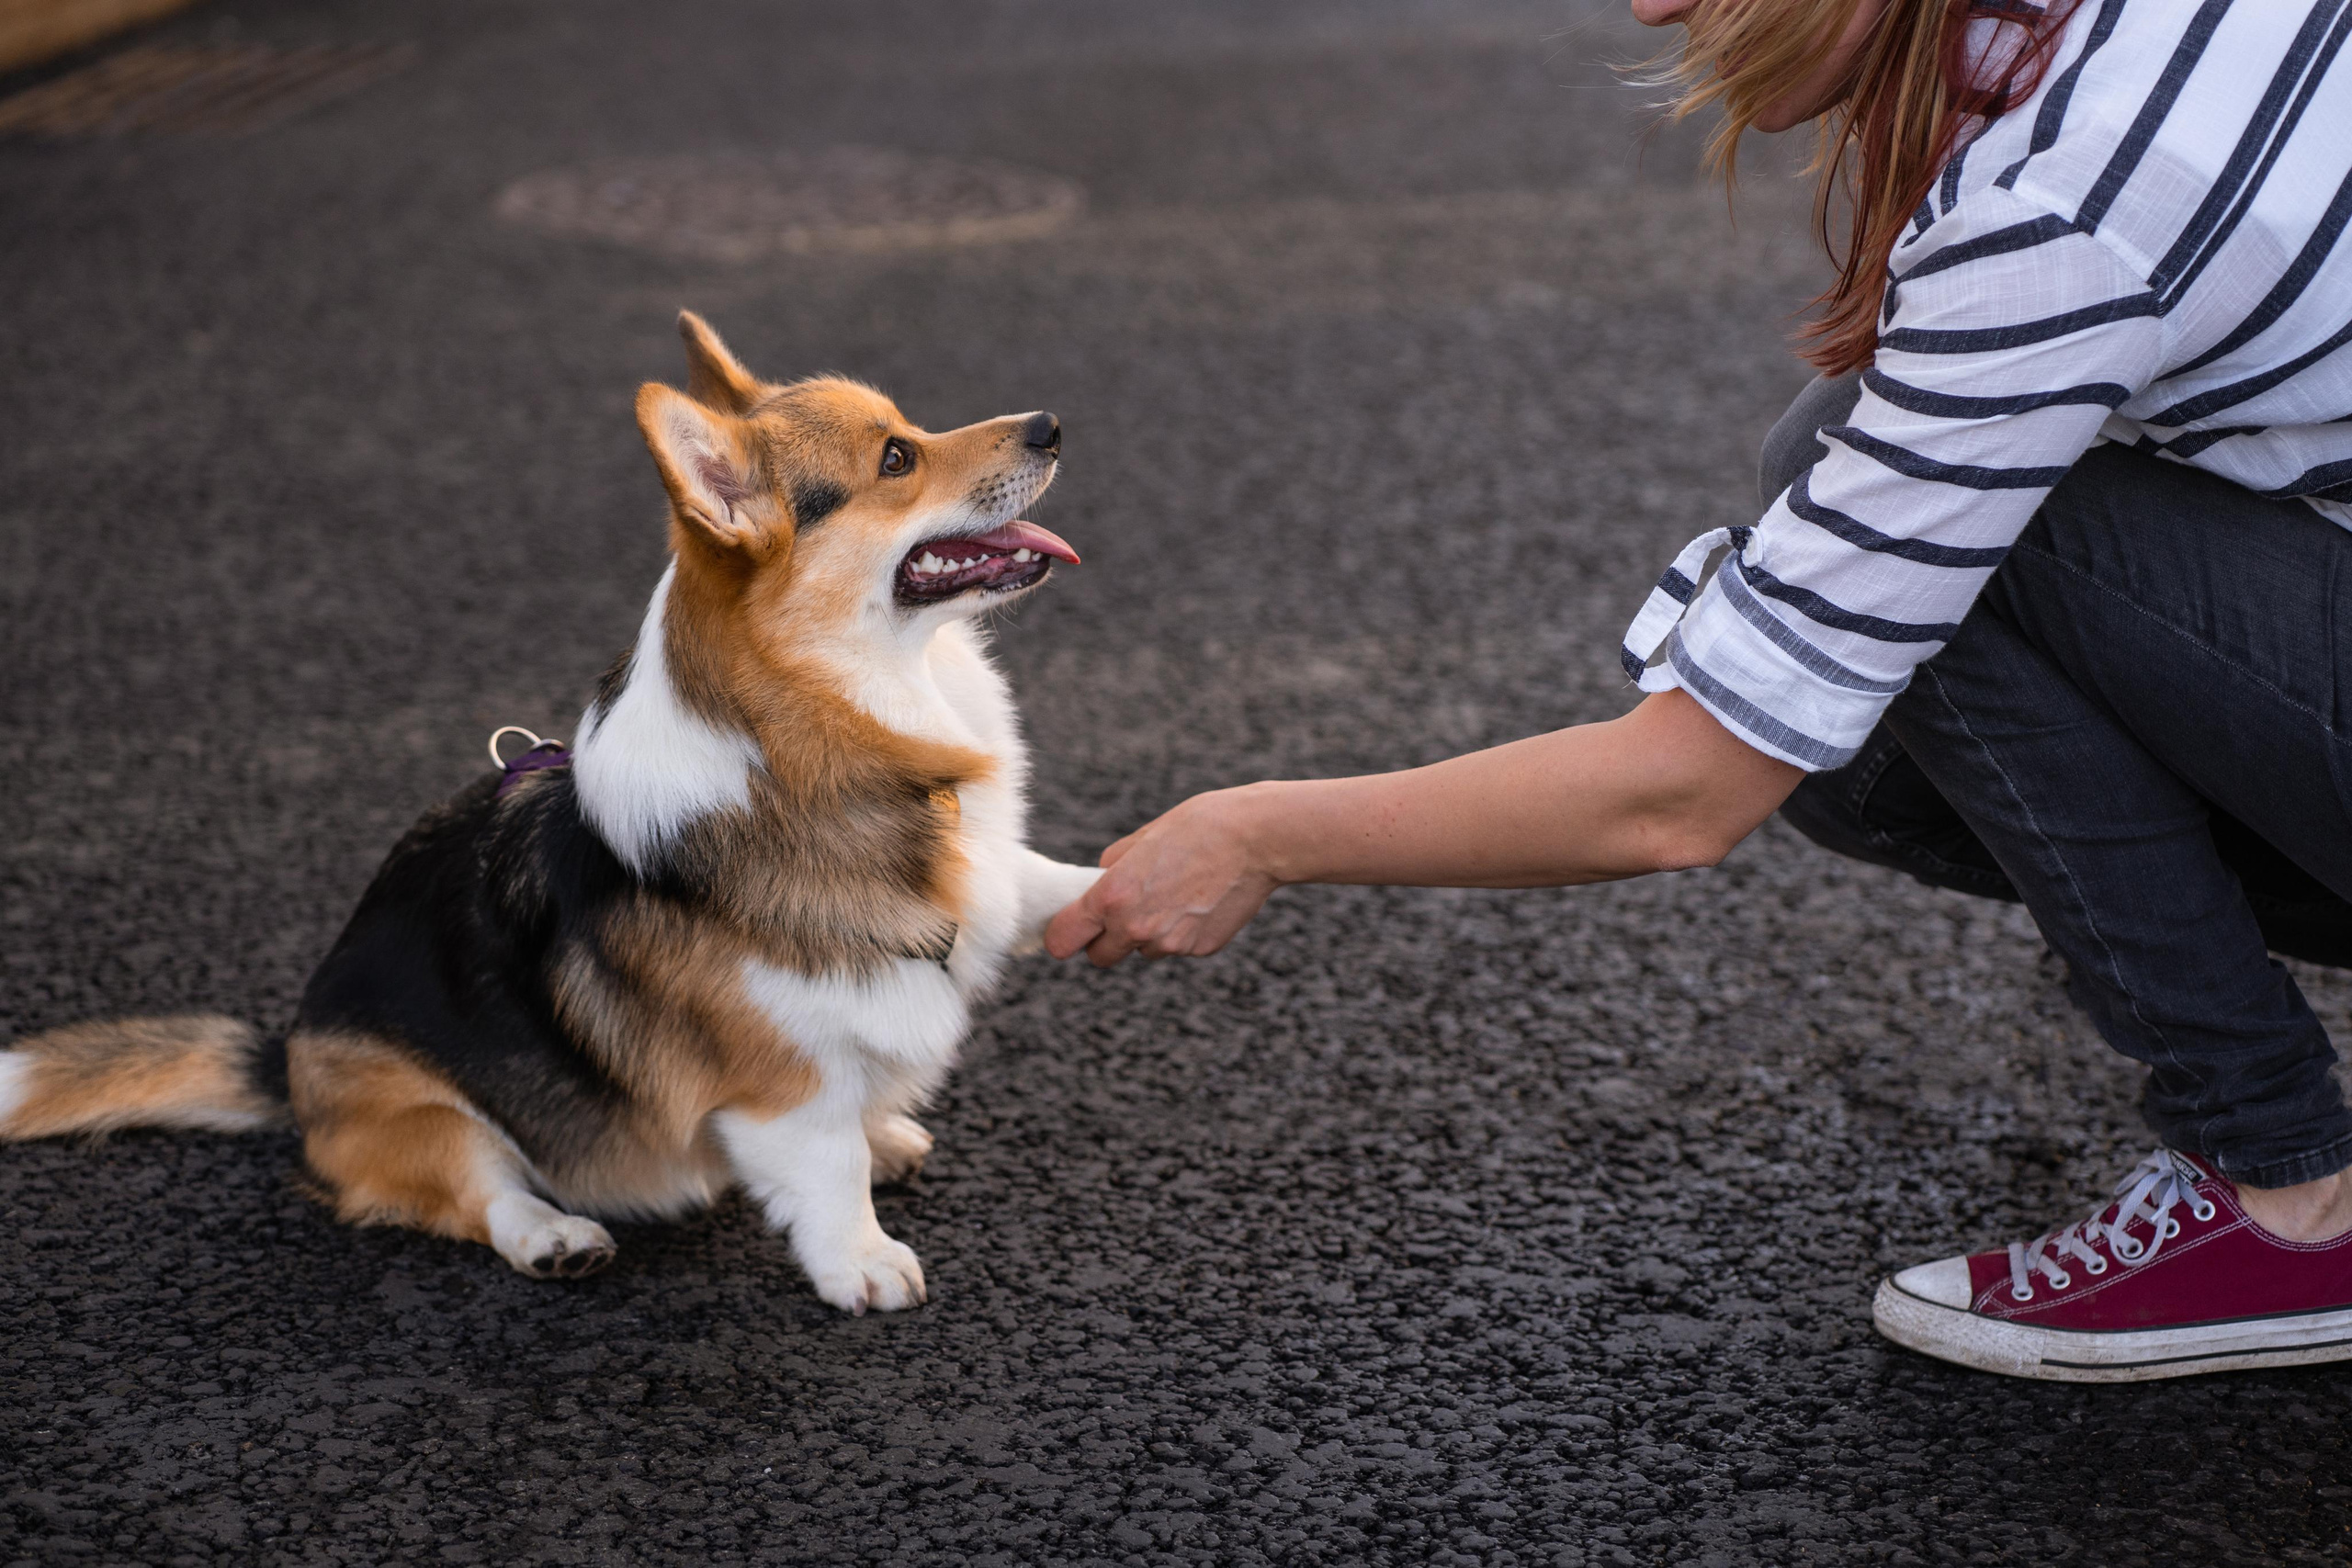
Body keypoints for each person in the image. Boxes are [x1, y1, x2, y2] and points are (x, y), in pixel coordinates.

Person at [1046, 0, 2352, 1382]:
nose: (1653, 5)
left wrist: (1257, 832)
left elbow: (1681, 794)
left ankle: (2288, 1199)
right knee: (1861, 562)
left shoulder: (2065, 215)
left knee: (1896, 599)